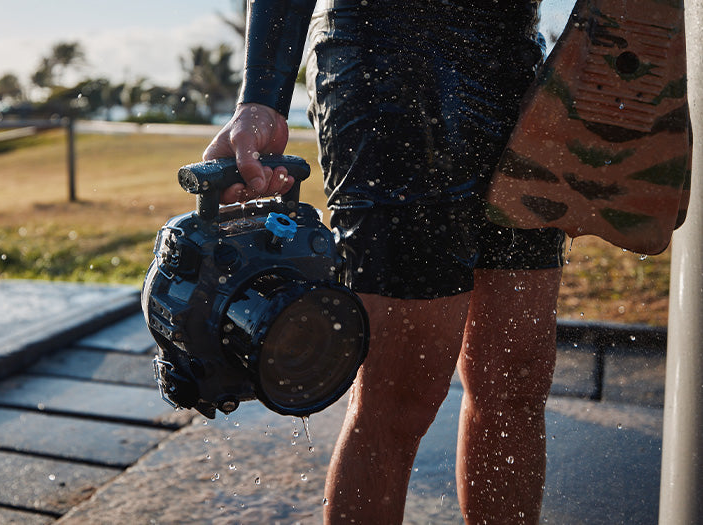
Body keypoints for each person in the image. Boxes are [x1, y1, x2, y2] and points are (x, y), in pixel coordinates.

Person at [204, 0, 566, 522]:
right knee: (400, 395)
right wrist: (263, 95)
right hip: (385, 56)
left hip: (518, 59)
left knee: (517, 380)